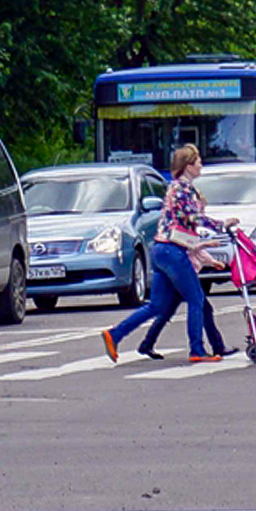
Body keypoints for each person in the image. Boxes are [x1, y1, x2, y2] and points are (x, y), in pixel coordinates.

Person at [101, 144, 230, 364]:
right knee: (196, 300)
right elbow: (193, 218)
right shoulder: (183, 188)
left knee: (157, 306)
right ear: (188, 165)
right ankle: (197, 349)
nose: (201, 165)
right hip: (173, 251)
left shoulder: (173, 187)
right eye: (198, 161)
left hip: (161, 250)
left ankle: (115, 334)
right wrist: (222, 225)